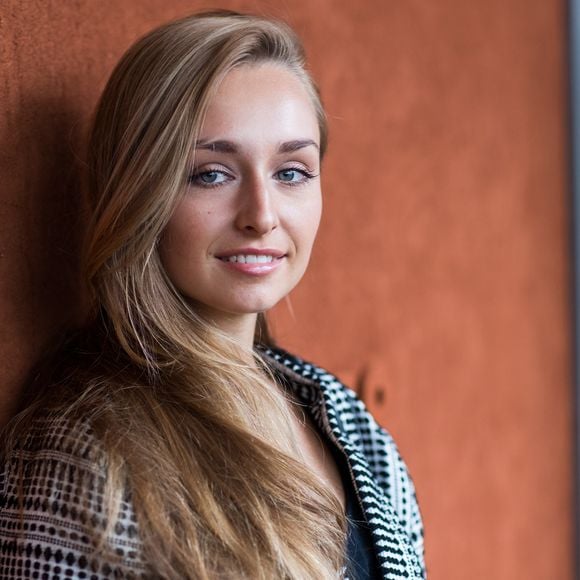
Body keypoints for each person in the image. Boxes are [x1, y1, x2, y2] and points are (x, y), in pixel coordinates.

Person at [0, 10, 425, 580]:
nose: (262, 215)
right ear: (139, 194)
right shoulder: (82, 459)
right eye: (211, 174)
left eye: (291, 172)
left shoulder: (350, 423)